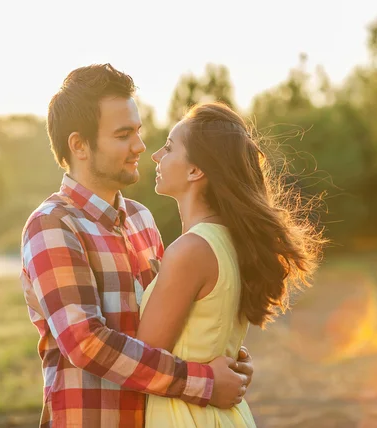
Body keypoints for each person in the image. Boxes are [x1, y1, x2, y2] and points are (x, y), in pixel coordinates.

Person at [20, 64, 253, 428]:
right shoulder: (52, 225)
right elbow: (85, 343)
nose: (140, 146)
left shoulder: (141, 219)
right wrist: (204, 383)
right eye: (123, 134)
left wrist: (230, 359)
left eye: (138, 131)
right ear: (79, 145)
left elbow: (174, 319)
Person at [136, 102, 325, 427]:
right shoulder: (230, 242)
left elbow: (141, 360)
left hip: (186, 416)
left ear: (196, 170)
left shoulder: (191, 251)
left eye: (168, 148)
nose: (155, 156)